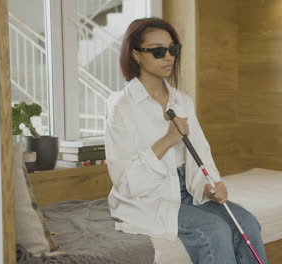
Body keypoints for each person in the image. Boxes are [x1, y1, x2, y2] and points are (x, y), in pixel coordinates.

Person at [105, 17, 268, 264]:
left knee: (248, 223)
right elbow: (126, 182)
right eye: (158, 51)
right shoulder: (121, 107)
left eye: (173, 49)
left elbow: (201, 150)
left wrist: (212, 184)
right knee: (214, 231)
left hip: (189, 190)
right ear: (136, 55)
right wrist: (167, 140)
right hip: (150, 197)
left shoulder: (182, 101)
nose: (168, 57)